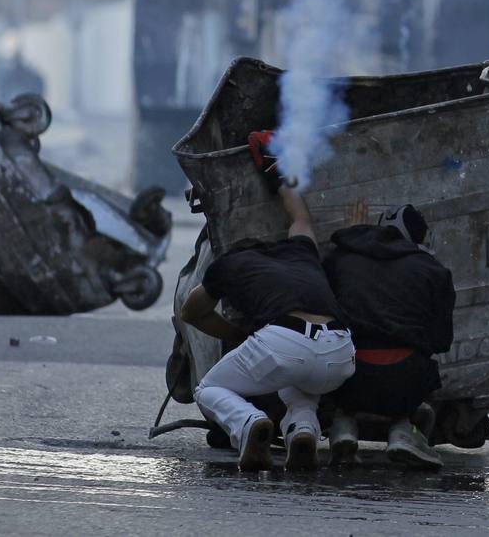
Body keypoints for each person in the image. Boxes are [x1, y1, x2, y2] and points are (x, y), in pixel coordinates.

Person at [179, 133, 355, 472]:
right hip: (339, 351)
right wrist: (277, 167)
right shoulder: (301, 252)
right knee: (297, 381)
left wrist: (238, 334)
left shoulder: (230, 265)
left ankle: (249, 424)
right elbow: (300, 217)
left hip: (285, 342)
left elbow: (191, 311)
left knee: (210, 388)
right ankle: (302, 429)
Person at [323, 201, 456, 469]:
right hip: (405, 381)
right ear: (417, 238)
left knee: (339, 353)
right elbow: (442, 341)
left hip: (346, 378)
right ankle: (403, 431)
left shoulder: (339, 258)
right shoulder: (433, 271)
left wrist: (350, 238)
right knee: (417, 367)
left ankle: (343, 427)